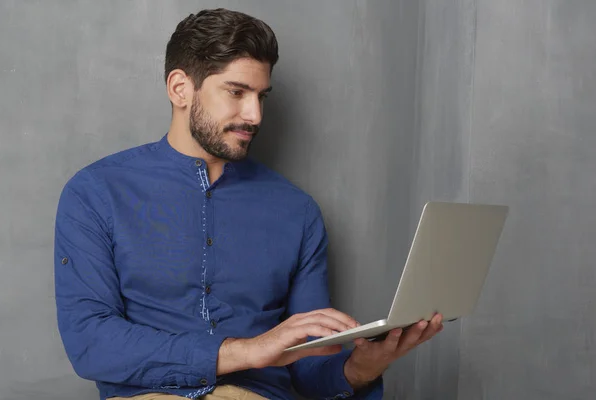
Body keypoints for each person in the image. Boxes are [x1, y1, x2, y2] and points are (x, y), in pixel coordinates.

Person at [53, 8, 443, 400]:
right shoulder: (96, 193)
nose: (254, 115)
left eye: (261, 96)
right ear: (180, 89)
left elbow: (308, 369)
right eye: (237, 92)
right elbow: (92, 342)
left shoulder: (296, 212)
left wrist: (359, 369)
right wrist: (247, 351)